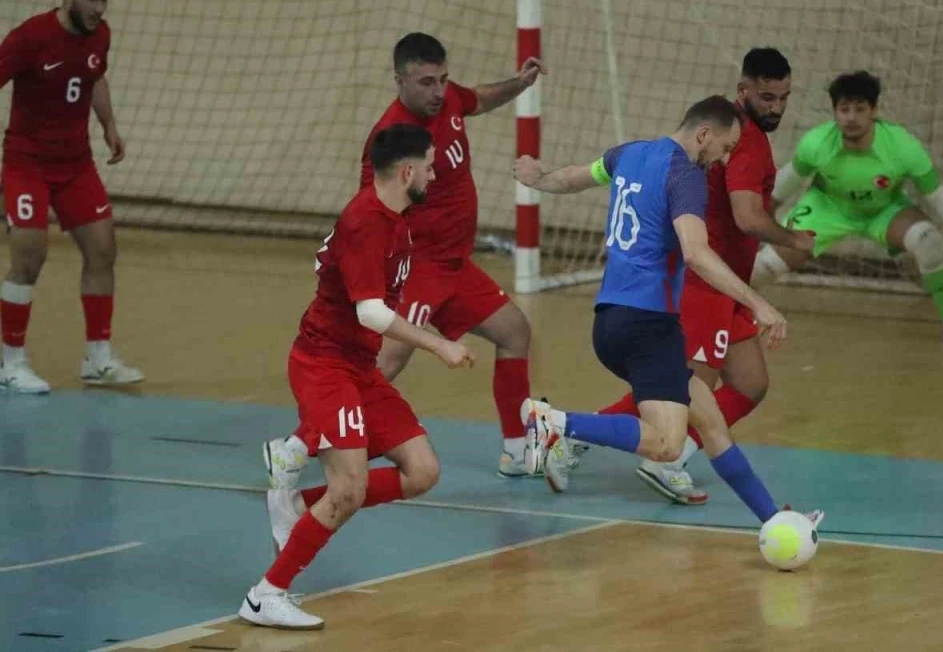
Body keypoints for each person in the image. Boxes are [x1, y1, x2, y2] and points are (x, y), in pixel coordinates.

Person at [514, 95, 822, 532]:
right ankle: (554, 423)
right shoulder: (686, 175)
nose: (724, 159)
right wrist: (760, 304)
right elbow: (696, 253)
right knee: (666, 445)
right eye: (725, 148)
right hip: (648, 325)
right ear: (704, 135)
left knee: (712, 425)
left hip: (611, 319)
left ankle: (774, 519)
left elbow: (574, 178)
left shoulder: (628, 154)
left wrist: (538, 179)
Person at [264, 33, 545, 485]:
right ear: (400, 81)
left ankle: (516, 448)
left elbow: (478, 98)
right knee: (383, 365)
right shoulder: (390, 138)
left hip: (455, 265)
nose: (438, 91)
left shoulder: (449, 101)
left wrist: (520, 83)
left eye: (443, 80)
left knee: (514, 331)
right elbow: (371, 212)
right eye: (426, 82)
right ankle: (294, 448)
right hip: (420, 268)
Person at [240, 124, 474, 631]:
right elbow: (370, 311)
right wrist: (438, 344)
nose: (435, 175)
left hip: (358, 367)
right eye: (430, 167)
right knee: (348, 489)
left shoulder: (397, 220)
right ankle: (265, 595)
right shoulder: (366, 221)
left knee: (422, 471)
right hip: (324, 365)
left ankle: (297, 505)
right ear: (407, 172)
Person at [583, 48, 815, 504]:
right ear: (743, 91)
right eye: (767, 97)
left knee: (749, 384)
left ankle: (666, 455)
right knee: (682, 387)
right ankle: (581, 440)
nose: (777, 107)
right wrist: (793, 240)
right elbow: (748, 217)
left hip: (728, 284)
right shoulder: (745, 142)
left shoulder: (732, 133)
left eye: (784, 97)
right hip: (707, 281)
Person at [755, 71, 943, 349]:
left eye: (860, 109)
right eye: (844, 109)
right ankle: (725, 313)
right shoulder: (816, 143)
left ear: (874, 110)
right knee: (765, 265)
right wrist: (756, 227)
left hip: (885, 210)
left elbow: (939, 198)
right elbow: (782, 186)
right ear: (834, 112)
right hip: (828, 207)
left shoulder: (902, 146)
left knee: (928, 241)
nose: (851, 117)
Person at [0, 0, 141, 393]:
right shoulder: (30, 38)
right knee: (29, 256)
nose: (99, 8)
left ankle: (98, 359)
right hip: (27, 166)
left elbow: (94, 77)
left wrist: (109, 126)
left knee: (102, 250)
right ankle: (10, 362)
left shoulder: (100, 35)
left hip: (76, 165)